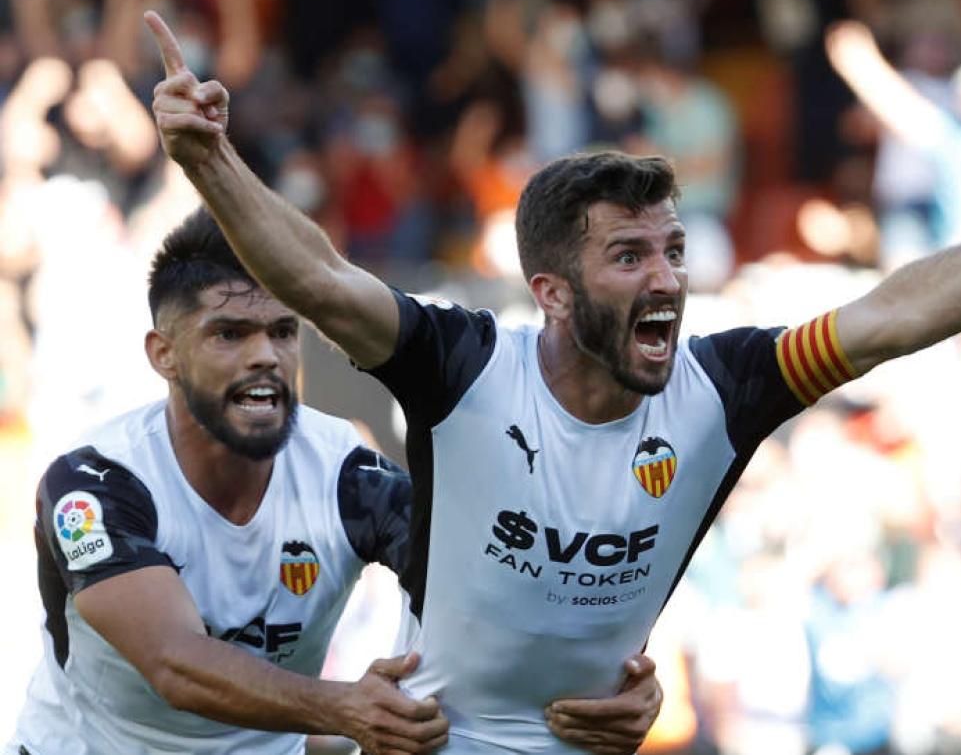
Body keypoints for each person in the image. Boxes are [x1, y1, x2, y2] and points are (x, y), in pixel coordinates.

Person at [143, 9, 961, 753]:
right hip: (428, 739)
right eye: (629, 255)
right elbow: (319, 279)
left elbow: (897, 314)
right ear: (549, 289)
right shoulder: (463, 365)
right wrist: (209, 158)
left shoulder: (727, 386)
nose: (667, 276)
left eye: (672, 250)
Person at [7, 209, 662, 755]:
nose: (265, 354)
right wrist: (344, 710)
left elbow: (493, 587)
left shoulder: (347, 475)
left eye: (282, 331)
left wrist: (611, 681)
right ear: (164, 355)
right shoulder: (94, 482)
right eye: (230, 333)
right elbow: (174, 663)